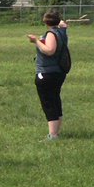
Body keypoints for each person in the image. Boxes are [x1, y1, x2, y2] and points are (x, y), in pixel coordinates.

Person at [27, 9, 70, 139]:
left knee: (49, 103)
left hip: (47, 73)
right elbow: (63, 24)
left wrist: (36, 41)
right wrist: (60, 21)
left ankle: (53, 135)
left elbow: (49, 50)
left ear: (45, 21)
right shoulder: (62, 32)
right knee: (55, 100)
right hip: (58, 72)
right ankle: (56, 132)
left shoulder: (51, 33)